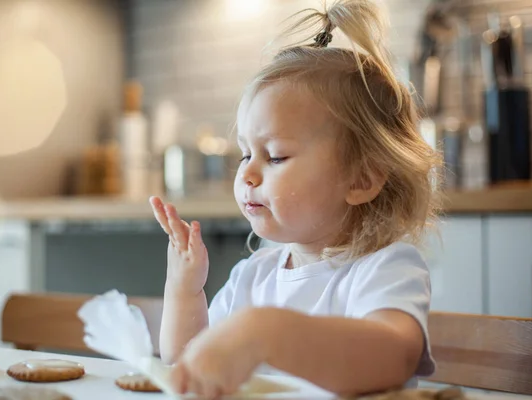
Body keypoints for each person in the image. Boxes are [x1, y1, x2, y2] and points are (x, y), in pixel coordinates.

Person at [148, 0, 442, 398]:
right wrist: (185, 290)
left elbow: (395, 357)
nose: (247, 173)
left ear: (362, 178)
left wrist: (267, 333)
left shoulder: (384, 268)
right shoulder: (254, 275)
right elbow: (188, 367)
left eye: (276, 156)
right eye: (245, 153)